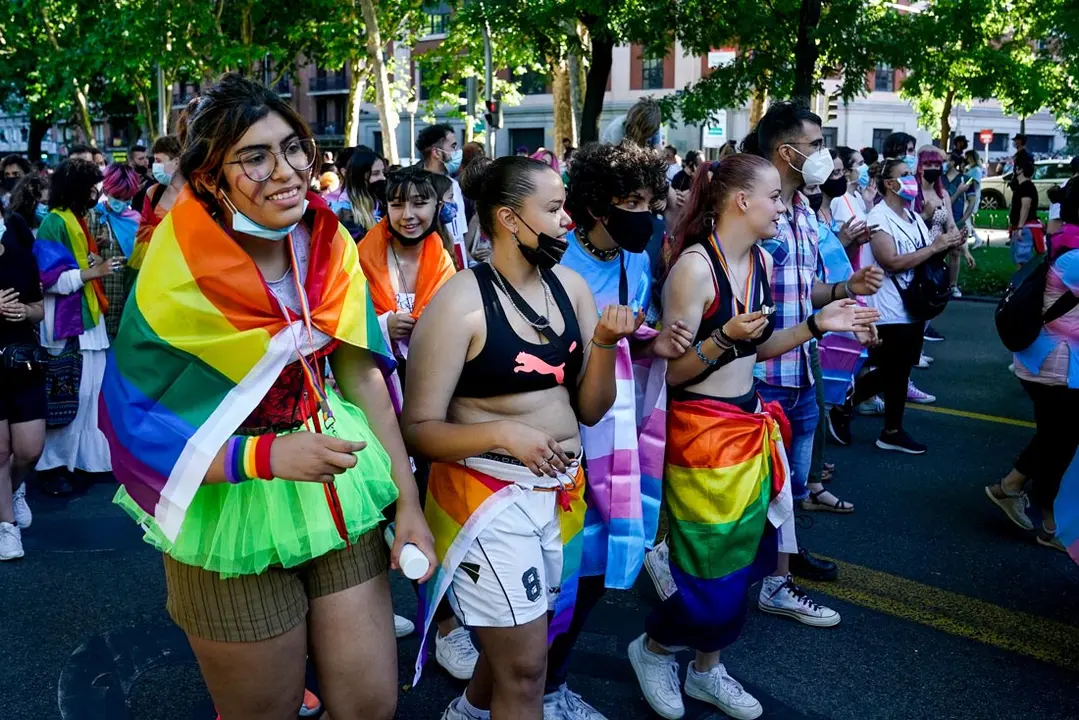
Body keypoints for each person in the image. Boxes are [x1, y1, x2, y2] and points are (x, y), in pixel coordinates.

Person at [99, 73, 434, 720]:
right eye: (254, 156)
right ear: (208, 178)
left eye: (294, 147)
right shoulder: (174, 268)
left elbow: (363, 375)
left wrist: (410, 502)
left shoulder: (329, 241)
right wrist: (268, 459)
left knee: (369, 705)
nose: (286, 171)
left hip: (337, 483)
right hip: (227, 504)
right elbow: (136, 418)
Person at [628, 154, 878, 720]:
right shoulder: (693, 268)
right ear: (741, 201)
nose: (782, 205)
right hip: (701, 435)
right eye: (774, 196)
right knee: (706, 578)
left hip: (748, 424)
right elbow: (675, 371)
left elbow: (757, 349)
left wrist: (819, 324)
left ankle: (706, 670)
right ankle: (653, 649)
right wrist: (724, 341)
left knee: (740, 565)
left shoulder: (761, 261)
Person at [403, 154, 639, 719]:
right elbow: (417, 431)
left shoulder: (573, 288)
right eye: (554, 210)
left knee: (520, 645)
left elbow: (591, 407)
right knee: (528, 668)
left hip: (561, 494)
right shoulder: (460, 301)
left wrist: (604, 343)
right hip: (487, 499)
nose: (567, 224)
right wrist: (506, 435)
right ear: (509, 219)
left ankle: (466, 713)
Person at [547, 140, 684, 719]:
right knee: (556, 575)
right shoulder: (555, 262)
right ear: (597, 206)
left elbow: (634, 330)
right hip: (561, 436)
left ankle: (547, 684)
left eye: (652, 200)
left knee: (595, 571)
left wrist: (655, 339)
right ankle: (520, 686)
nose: (647, 213)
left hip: (615, 440)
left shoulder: (636, 260)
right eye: (632, 200)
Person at [744, 101, 884, 583]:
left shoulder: (804, 209)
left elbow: (807, 291)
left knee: (794, 486)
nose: (825, 155)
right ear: (786, 152)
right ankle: (734, 575)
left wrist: (849, 288)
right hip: (763, 374)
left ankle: (781, 566)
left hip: (803, 367)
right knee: (752, 490)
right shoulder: (755, 215)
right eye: (817, 145)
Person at [355, 165, 477, 674]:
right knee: (372, 517)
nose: (410, 215)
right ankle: (374, 611)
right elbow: (341, 323)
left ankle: (446, 626)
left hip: (430, 403)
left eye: (420, 203)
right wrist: (383, 325)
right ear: (386, 208)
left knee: (427, 511)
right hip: (370, 402)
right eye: (399, 204)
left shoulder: (451, 261)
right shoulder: (356, 256)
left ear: (437, 207)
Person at [987, 180, 1079, 551]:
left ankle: (1010, 488)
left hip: (1050, 361)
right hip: (1054, 365)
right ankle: (1051, 524)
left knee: (1056, 435)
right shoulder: (1074, 256)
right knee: (1060, 439)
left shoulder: (1067, 240)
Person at [850, 158, 965, 455]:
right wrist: (936, 246)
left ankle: (889, 429)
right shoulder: (878, 218)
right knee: (893, 371)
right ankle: (849, 406)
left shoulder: (913, 217)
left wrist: (948, 244)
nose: (912, 181)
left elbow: (926, 254)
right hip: (888, 308)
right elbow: (891, 262)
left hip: (912, 307)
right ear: (889, 184)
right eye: (904, 176)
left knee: (898, 371)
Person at [32, 159, 117, 496]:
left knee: (90, 396)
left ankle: (83, 463)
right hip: (69, 324)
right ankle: (52, 467)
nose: (96, 192)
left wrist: (93, 258)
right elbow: (49, 279)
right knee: (69, 399)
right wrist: (94, 271)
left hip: (87, 321)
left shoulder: (74, 220)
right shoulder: (55, 221)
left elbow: (74, 267)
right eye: (92, 185)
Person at [0, 221, 46, 560]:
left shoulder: (21, 259)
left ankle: (14, 490)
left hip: (22, 362)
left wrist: (24, 311)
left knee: (29, 450)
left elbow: (39, 309)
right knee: (0, 452)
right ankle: (7, 527)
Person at [127, 134, 183, 293]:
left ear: (177, 162)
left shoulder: (198, 195)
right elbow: (142, 231)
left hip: (187, 275)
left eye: (159, 161)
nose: (154, 166)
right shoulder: (152, 193)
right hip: (154, 274)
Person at [91, 164, 141, 338]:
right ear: (106, 189)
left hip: (127, 304)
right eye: (118, 196)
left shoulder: (137, 222)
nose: (122, 202)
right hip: (99, 306)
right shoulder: (92, 217)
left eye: (126, 198)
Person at [418, 124, 469, 267]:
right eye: (453, 146)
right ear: (437, 153)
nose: (457, 152)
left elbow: (460, 236)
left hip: (458, 263)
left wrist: (468, 261)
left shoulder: (454, 185)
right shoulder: (417, 187)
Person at [832, 146, 874, 270]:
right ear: (847, 171)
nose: (865, 168)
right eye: (860, 164)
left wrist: (869, 203)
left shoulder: (858, 196)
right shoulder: (838, 199)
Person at [942, 152, 978, 296]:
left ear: (953, 162)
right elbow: (944, 203)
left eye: (947, 160)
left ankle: (953, 284)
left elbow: (972, 201)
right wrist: (958, 192)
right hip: (941, 220)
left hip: (957, 219)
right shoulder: (940, 179)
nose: (944, 163)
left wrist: (964, 218)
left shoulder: (966, 179)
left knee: (956, 252)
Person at [337, 148, 386, 239]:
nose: (383, 178)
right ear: (359, 178)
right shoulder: (345, 213)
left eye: (383, 173)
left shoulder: (382, 202)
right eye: (376, 173)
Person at [1009, 154, 1041, 269]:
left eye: (1016, 167)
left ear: (1020, 170)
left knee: (1022, 261)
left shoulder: (1026, 187)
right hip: (1022, 227)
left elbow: (1025, 207)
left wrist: (1020, 228)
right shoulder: (1023, 186)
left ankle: (1024, 285)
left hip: (1025, 228)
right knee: (1019, 259)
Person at [1, 175, 49, 251]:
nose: (46, 207)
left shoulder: (48, 228)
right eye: (43, 202)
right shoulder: (12, 228)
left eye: (47, 202)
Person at [963, 150, 987, 249]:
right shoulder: (970, 168)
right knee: (965, 218)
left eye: (968, 157)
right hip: (967, 195)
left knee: (965, 217)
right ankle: (975, 238)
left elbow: (974, 183)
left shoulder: (976, 170)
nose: (966, 159)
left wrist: (967, 181)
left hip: (972, 196)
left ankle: (975, 238)